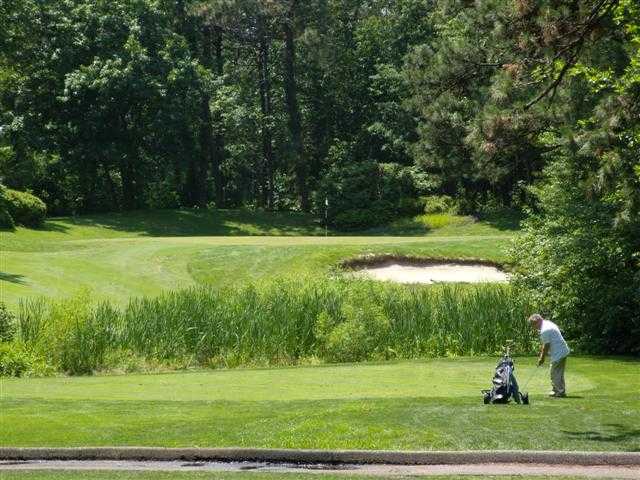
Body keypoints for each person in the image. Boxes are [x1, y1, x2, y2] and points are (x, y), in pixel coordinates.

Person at [528, 314, 570, 397]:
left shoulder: (545, 330)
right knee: (556, 372)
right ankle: (556, 390)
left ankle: (560, 392)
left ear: (538, 322)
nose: (534, 328)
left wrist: (542, 358)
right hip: (561, 350)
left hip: (559, 352)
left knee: (555, 373)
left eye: (534, 325)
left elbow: (546, 346)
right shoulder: (547, 323)